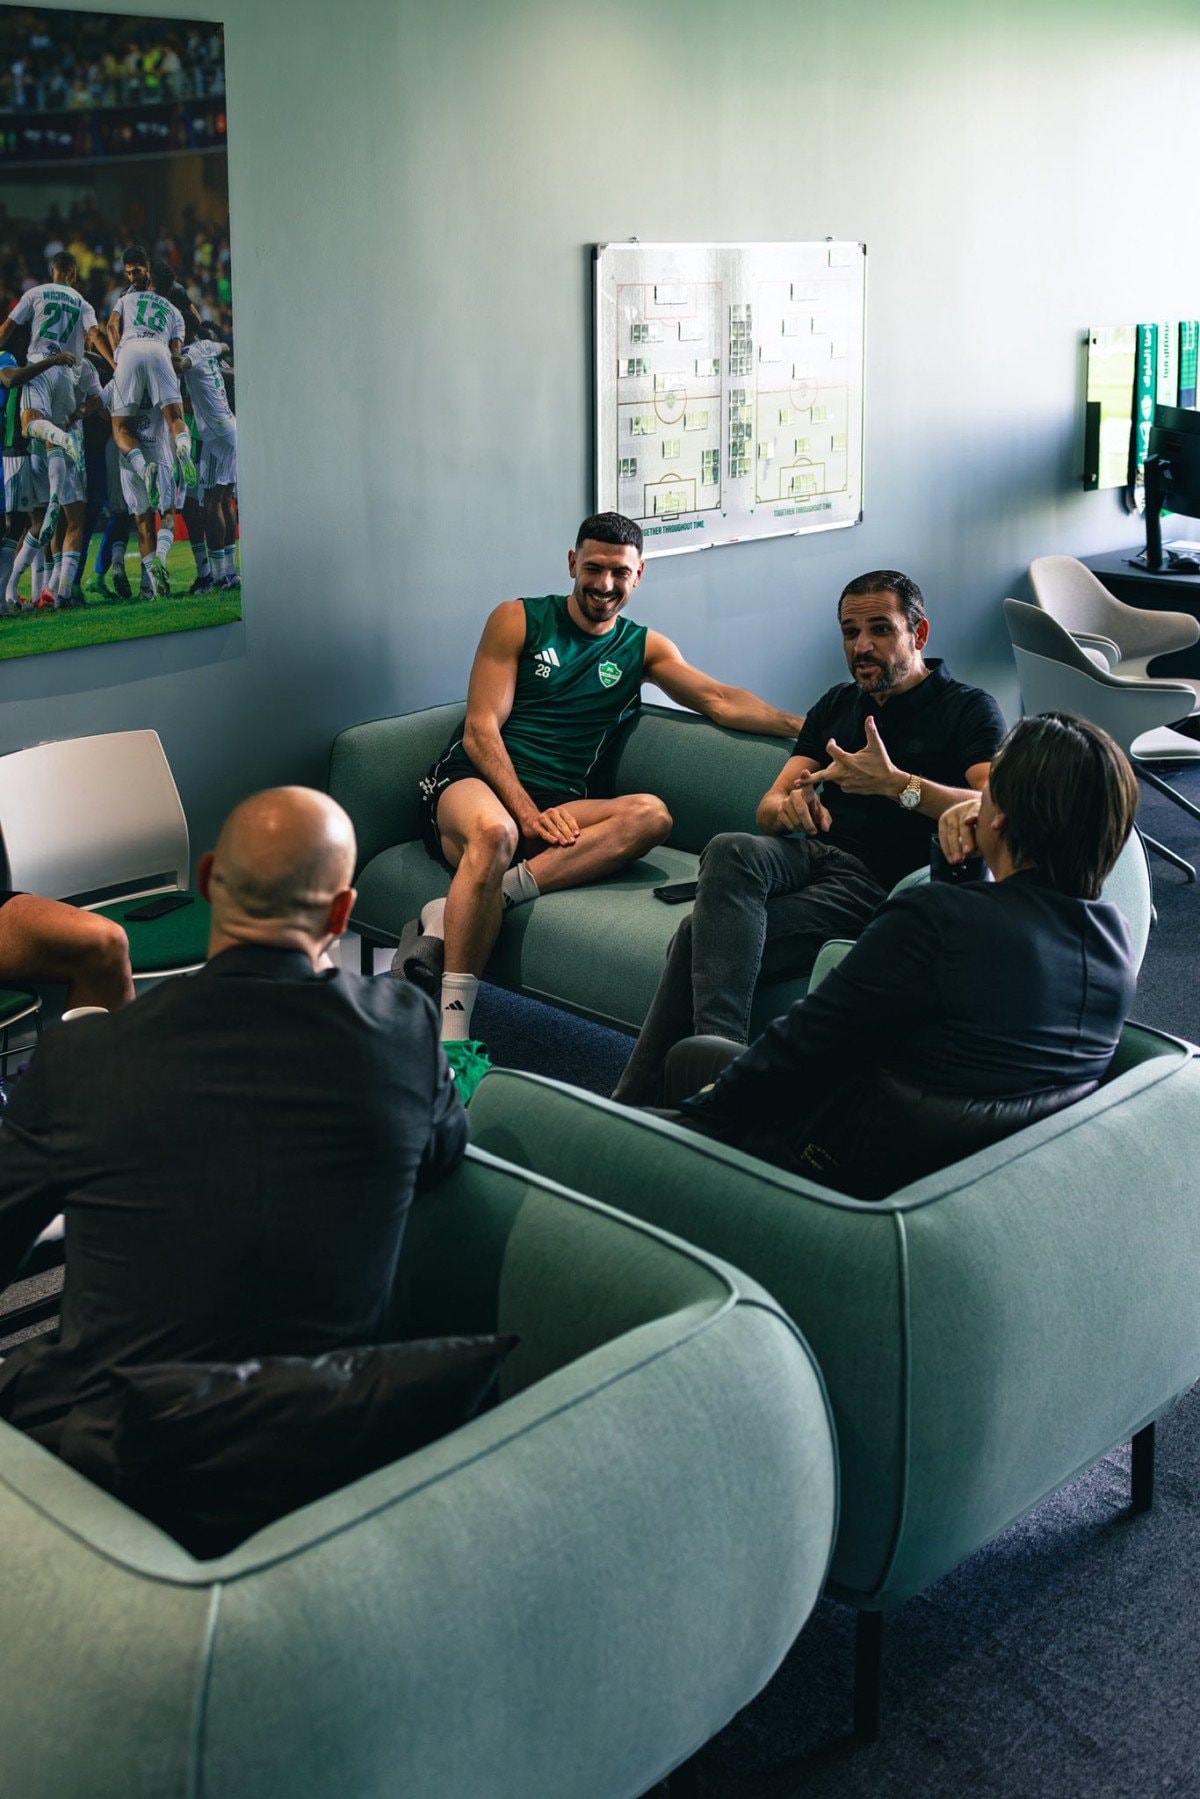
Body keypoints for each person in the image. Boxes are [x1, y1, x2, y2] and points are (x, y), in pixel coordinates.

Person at [0, 786, 467, 1479]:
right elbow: (442, 1155)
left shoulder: (82, 1060)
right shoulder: (407, 1028)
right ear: (341, 912)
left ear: (210, 878)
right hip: (332, 1444)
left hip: (126, 1457)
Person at [661, 713, 1139, 1198]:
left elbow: (801, 1047)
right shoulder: (1113, 945)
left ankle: (628, 1142)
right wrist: (961, 869)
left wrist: (689, 1120)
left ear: (1000, 817)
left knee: (691, 1059)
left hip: (825, 1175)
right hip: (957, 1183)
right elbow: (975, 968)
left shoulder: (933, 919)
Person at [401, 511, 804, 1041]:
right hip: (477, 783)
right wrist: (526, 813)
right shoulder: (519, 619)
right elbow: (480, 731)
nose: (605, 584)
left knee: (651, 815)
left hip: (560, 801)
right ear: (573, 563)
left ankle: (474, 901)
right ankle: (453, 1034)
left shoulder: (644, 647)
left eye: (620, 572)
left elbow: (720, 700)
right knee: (496, 833)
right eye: (593, 568)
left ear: (640, 575)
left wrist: (808, 728)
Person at [614, 569, 1007, 1103]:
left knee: (694, 935)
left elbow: (993, 808)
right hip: (813, 857)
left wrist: (899, 786)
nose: (861, 646)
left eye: (880, 629)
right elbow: (768, 807)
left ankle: (645, 1099)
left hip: (880, 886)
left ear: (919, 634)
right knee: (731, 848)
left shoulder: (968, 708)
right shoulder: (837, 704)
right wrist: (791, 808)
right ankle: (719, 1066)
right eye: (850, 632)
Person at [105, 243, 196, 501]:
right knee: (175, 418)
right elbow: (176, 351)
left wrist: (118, 357)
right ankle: (183, 448)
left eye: (137, 272)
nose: (132, 277)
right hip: (160, 351)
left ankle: (144, 468)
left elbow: (111, 326)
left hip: (130, 351)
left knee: (120, 427)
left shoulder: (126, 298)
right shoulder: (175, 310)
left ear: (149, 272)